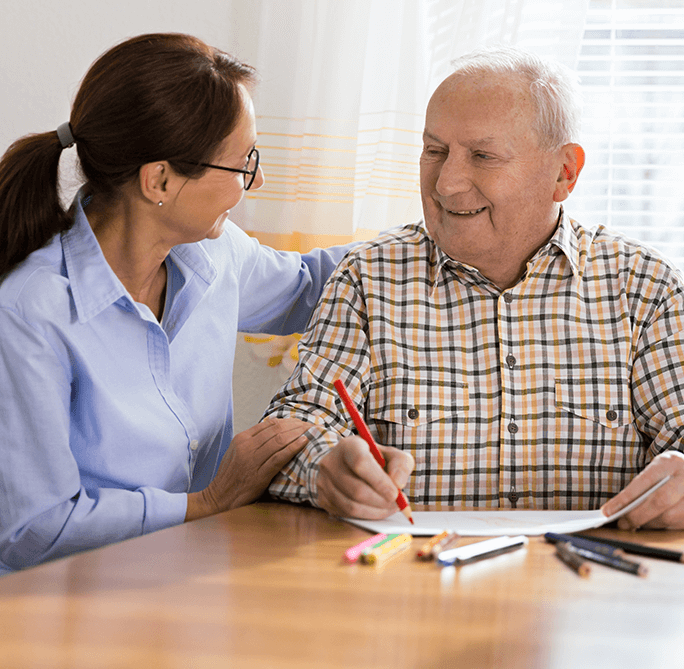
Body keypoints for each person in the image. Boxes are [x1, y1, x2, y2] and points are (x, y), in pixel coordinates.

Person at [264, 46, 684, 531]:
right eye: (434, 151)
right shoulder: (367, 277)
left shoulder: (644, 289)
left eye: (483, 156)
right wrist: (323, 470)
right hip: (408, 584)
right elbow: (292, 430)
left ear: (564, 173)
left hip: (587, 587)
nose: (446, 184)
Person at [0, 33, 354, 574]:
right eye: (242, 163)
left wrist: (433, 232)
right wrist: (206, 504)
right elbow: (32, 529)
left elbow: (313, 286)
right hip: (65, 607)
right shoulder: (31, 311)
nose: (255, 179)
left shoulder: (212, 254)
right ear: (159, 179)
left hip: (192, 574)